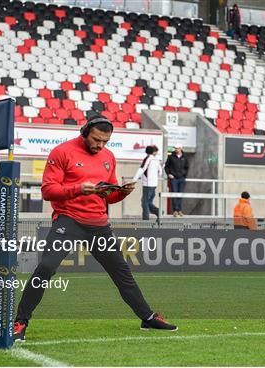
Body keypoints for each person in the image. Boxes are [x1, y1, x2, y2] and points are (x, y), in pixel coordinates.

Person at [13, 113, 177, 342]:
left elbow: (107, 197)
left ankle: (147, 318)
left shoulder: (108, 156)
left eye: (105, 142)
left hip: (98, 225)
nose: (100, 145)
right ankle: (20, 322)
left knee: (122, 273)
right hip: (68, 220)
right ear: (85, 132)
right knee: (46, 268)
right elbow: (48, 191)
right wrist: (80, 189)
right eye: (97, 140)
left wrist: (120, 193)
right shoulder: (62, 152)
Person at [132, 145, 162, 220]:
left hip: (148, 184)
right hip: (154, 184)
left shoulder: (148, 159)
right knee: (148, 202)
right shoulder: (156, 160)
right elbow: (160, 172)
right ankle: (159, 212)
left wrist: (134, 180)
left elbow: (142, 169)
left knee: (144, 202)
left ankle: (147, 218)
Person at [164, 143, 189, 217]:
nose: (176, 149)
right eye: (175, 148)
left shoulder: (185, 157)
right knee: (174, 194)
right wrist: (169, 174)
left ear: (181, 148)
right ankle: (175, 211)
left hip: (182, 179)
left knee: (180, 195)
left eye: (177, 148)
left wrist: (184, 175)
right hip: (174, 179)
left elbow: (187, 167)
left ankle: (179, 210)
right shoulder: (171, 156)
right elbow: (166, 167)